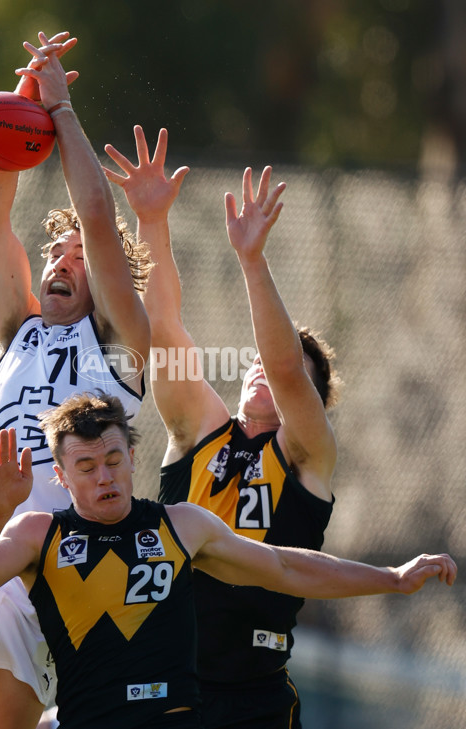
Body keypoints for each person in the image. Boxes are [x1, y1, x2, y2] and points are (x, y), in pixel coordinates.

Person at [0, 391, 456, 729]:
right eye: (87, 466)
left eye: (114, 460)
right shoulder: (37, 534)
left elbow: (284, 567)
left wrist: (391, 577)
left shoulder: (181, 525)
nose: (105, 477)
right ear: (61, 476)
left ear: (133, 459)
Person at [0, 32, 150, 729]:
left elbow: (99, 219)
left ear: (108, 279)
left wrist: (63, 111)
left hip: (47, 584)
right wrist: (23, 104)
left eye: (78, 257)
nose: (61, 261)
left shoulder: (123, 351)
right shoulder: (22, 329)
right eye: (55, 251)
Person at [104, 126, 339, 728]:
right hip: (165, 677)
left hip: (253, 694)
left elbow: (287, 367)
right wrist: (151, 222)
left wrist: (252, 260)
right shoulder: (201, 432)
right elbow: (163, 326)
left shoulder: (308, 458)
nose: (265, 365)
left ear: (312, 400)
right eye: (255, 358)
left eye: (289, 371)